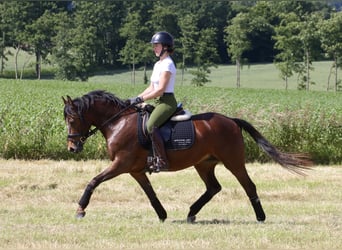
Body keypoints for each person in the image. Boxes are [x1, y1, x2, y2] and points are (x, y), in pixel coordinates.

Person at [129, 31, 177, 172]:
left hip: (166, 102)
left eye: (156, 45)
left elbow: (160, 90)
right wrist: (136, 98)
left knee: (151, 126)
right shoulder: (158, 64)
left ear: (165, 47)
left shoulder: (168, 64)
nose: (154, 48)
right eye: (154, 46)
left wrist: (141, 99)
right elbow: (151, 87)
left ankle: (162, 160)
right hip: (156, 101)